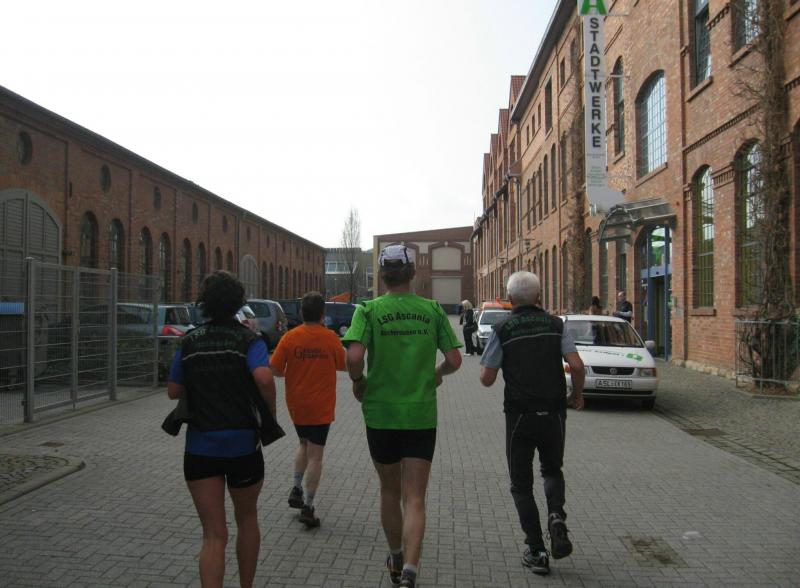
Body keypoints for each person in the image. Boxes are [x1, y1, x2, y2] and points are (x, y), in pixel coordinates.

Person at [342, 244, 463, 588]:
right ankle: (411, 569)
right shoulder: (432, 310)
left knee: (389, 491)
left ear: (382, 276)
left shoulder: (368, 310)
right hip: (420, 414)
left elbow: (354, 357)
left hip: (381, 413)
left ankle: (395, 556)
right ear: (413, 273)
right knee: (415, 497)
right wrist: (437, 373)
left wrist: (358, 381)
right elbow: (455, 360)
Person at [167, 271, 277, 588]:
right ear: (238, 303)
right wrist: (269, 415)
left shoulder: (190, 340)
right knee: (247, 519)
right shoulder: (249, 340)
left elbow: (173, 391)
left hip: (200, 447)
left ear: (205, 303)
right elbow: (264, 377)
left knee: (214, 534)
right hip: (243, 445)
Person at [478, 271, 585, 576]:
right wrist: (577, 395)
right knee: (552, 470)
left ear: (510, 299)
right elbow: (577, 365)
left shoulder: (502, 328)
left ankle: (537, 550)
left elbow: (486, 378)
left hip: (520, 415)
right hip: (554, 412)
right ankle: (556, 515)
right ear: (539, 297)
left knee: (521, 484)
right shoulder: (556, 325)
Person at [269, 291, 346, 528]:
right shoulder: (330, 338)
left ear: (302, 313)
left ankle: (296, 487)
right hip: (321, 406)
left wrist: (291, 373)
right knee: (316, 454)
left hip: (297, 404)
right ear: (323, 314)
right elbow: (343, 365)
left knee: (303, 443)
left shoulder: (290, 337)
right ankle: (309, 506)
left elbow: (274, 368)